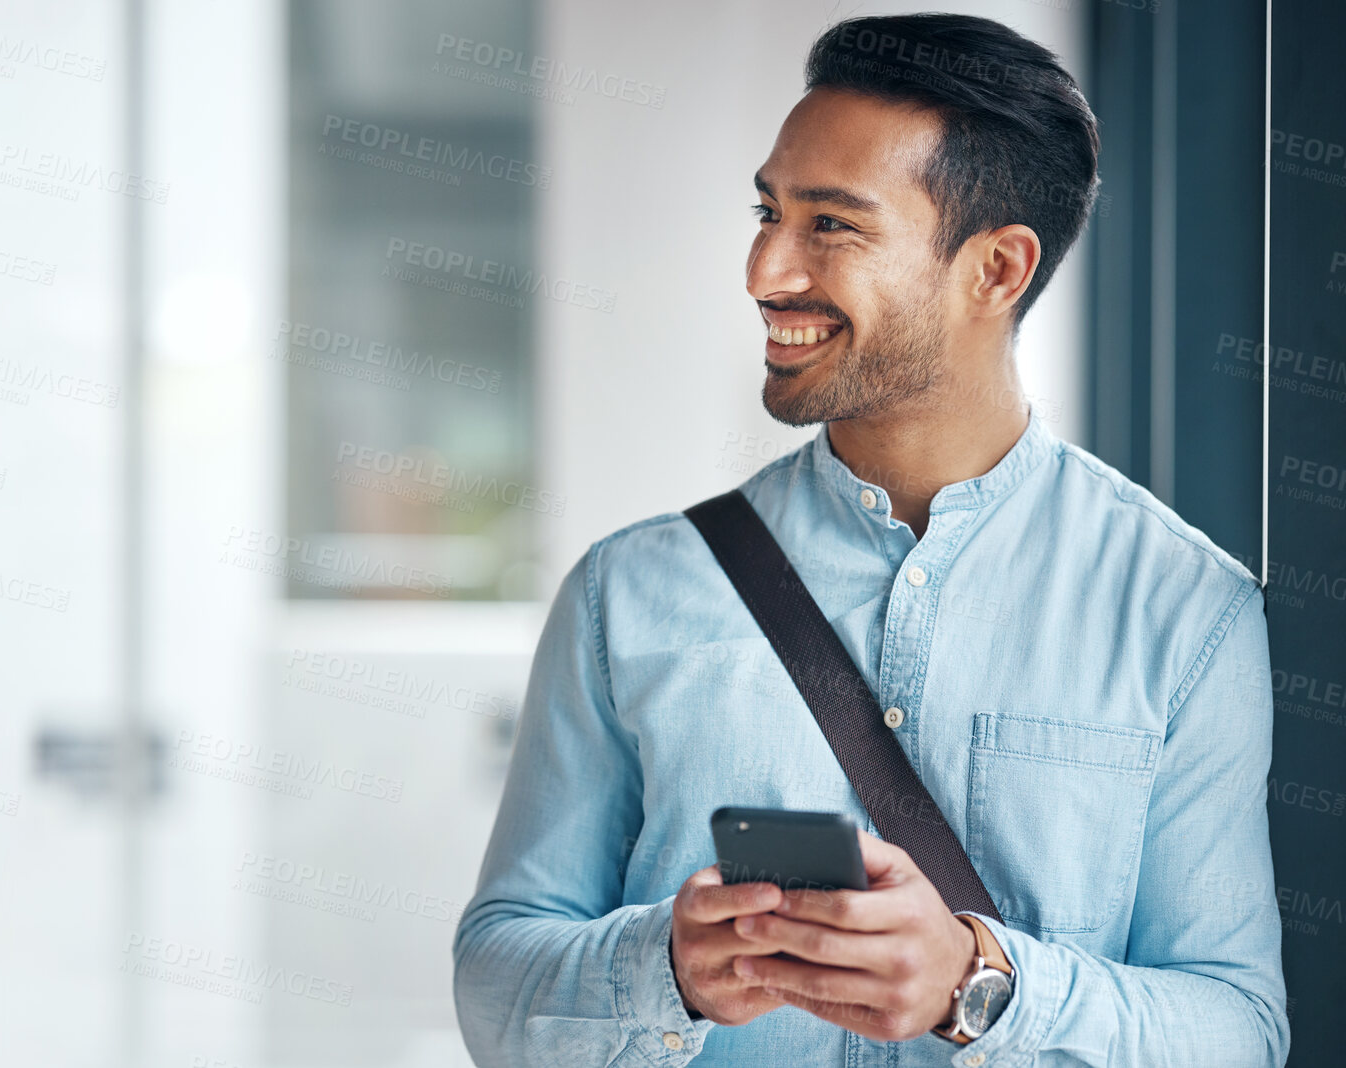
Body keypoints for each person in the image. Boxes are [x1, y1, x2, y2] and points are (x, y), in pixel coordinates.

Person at [452, 13, 1288, 1067]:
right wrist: (665, 967)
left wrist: (977, 983)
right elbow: (494, 985)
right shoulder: (629, 594)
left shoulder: (1185, 611)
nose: (764, 270)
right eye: (768, 212)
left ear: (995, 271)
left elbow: (1236, 1031)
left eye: (831, 226)